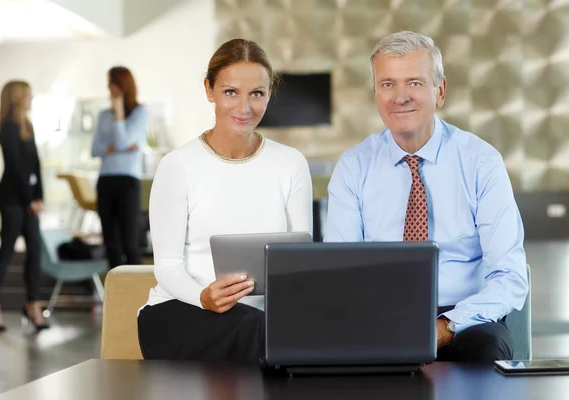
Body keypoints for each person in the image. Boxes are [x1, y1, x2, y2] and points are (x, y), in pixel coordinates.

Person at [324, 31, 528, 363]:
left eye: (415, 83)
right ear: (375, 92)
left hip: (463, 318)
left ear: (440, 91)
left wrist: (447, 325)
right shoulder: (353, 166)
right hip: (378, 313)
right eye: (387, 84)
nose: (400, 97)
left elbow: (509, 276)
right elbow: (340, 273)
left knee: (483, 350)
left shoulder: (481, 161)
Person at [137, 38, 313, 361]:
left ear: (269, 94)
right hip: (182, 312)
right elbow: (167, 267)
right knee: (264, 332)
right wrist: (204, 296)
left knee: (271, 328)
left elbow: (299, 262)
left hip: (256, 324)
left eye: (256, 94)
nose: (244, 108)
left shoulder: (291, 164)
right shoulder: (177, 166)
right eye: (231, 92)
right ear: (209, 90)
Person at [0, 81, 49, 332]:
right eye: (28, 93)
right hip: (12, 200)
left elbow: (35, 164)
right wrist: (29, 199)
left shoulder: (27, 126)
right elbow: (15, 168)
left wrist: (40, 195)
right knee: (7, 251)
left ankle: (33, 305)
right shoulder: (8, 128)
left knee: (35, 251)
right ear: (17, 97)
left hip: (29, 201)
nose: (31, 97)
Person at [91, 67, 149, 269]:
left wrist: (119, 114)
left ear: (122, 84)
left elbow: (123, 141)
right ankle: (115, 296)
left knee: (130, 243)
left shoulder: (141, 113)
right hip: (105, 181)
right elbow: (94, 150)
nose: (109, 87)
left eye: (112, 82)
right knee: (111, 244)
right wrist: (117, 148)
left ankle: (139, 297)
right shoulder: (103, 115)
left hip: (128, 182)